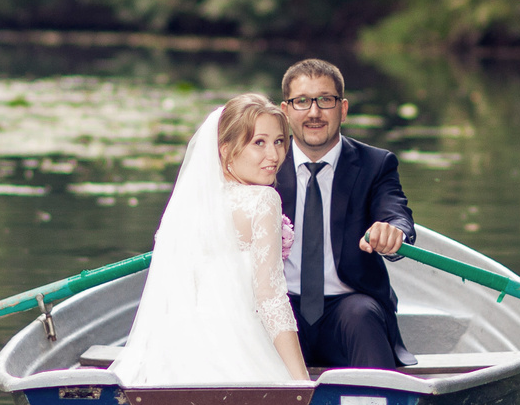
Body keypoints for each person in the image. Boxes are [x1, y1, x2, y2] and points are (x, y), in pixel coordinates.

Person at [111, 93, 313, 386]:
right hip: (236, 348)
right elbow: (270, 298)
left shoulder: (191, 203)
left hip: (173, 353)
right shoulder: (263, 199)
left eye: (279, 141)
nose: (274, 155)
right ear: (226, 150)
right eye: (259, 142)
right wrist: (302, 380)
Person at [273, 59, 418, 369]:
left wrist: (394, 231)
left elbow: (395, 212)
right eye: (302, 101)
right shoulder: (264, 163)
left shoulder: (375, 164)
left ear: (343, 108)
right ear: (285, 111)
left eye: (325, 100)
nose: (314, 112)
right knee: (256, 317)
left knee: (361, 315)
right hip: (279, 304)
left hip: (348, 308)